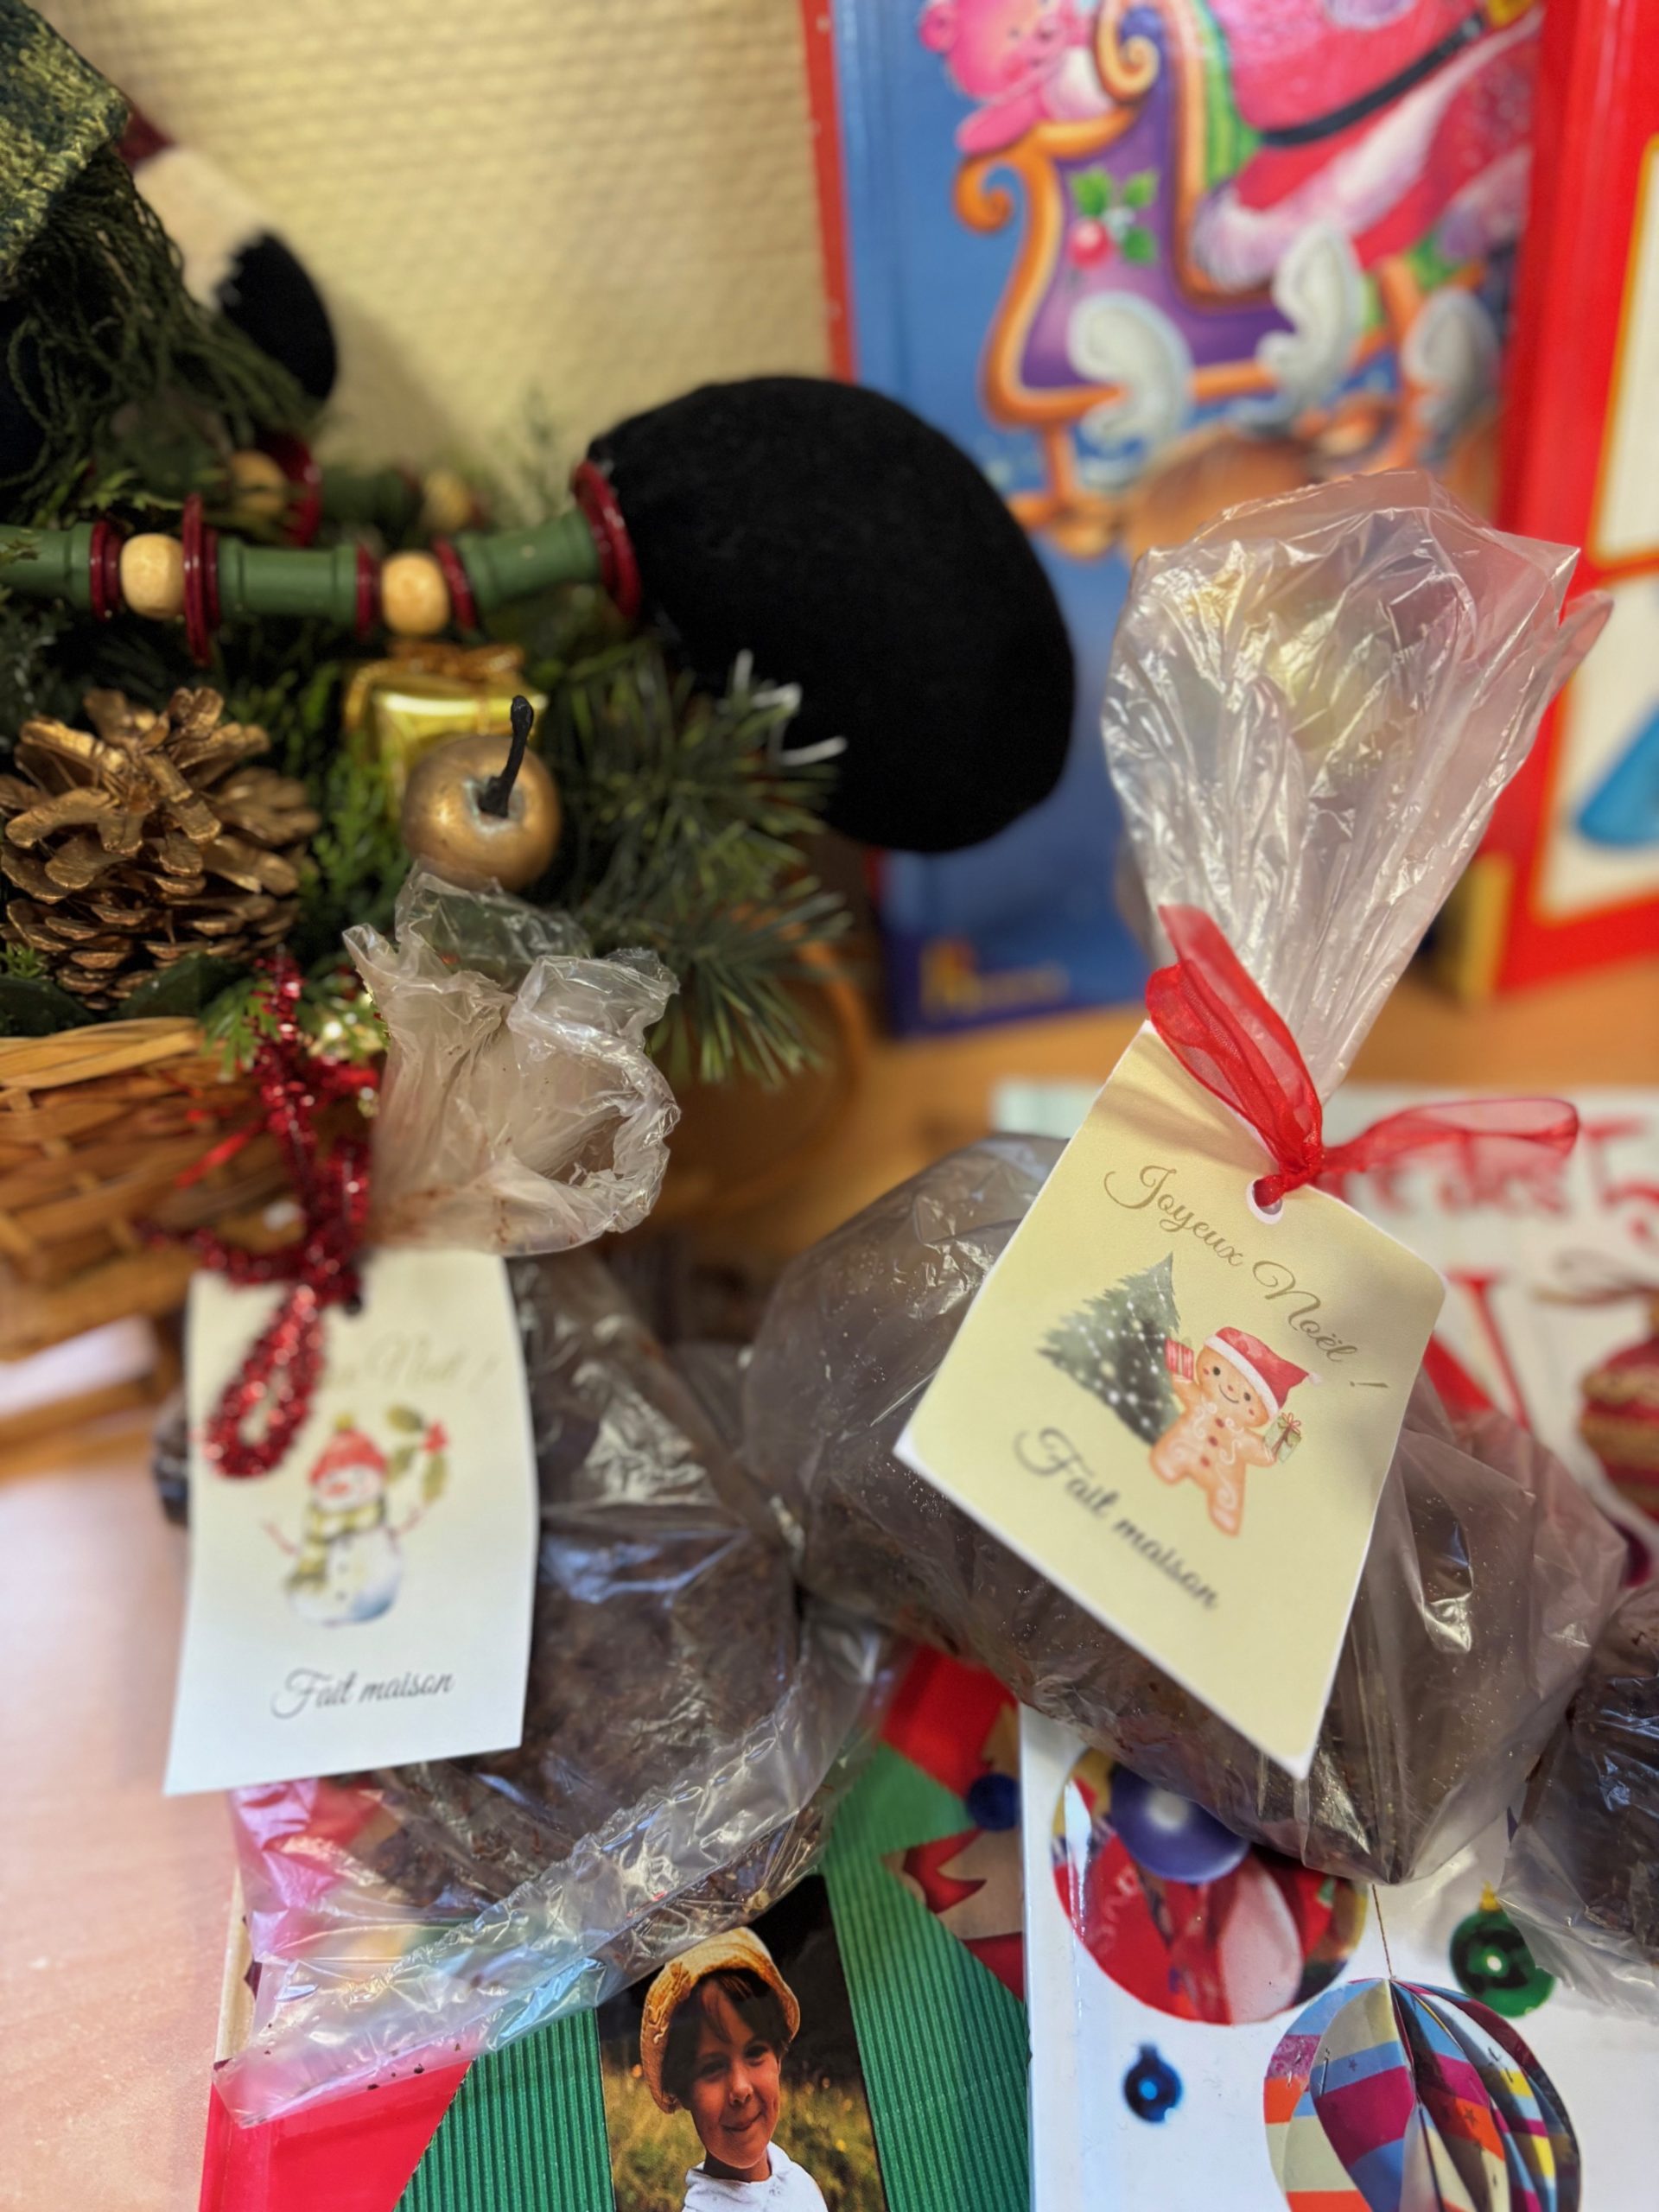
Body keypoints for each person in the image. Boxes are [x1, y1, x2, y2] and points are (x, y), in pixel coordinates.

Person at [638, 1929, 829, 2209]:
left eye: (754, 2053)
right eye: (712, 2068)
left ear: (778, 2057)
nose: (740, 2088)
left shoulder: (802, 2185)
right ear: (683, 2089)